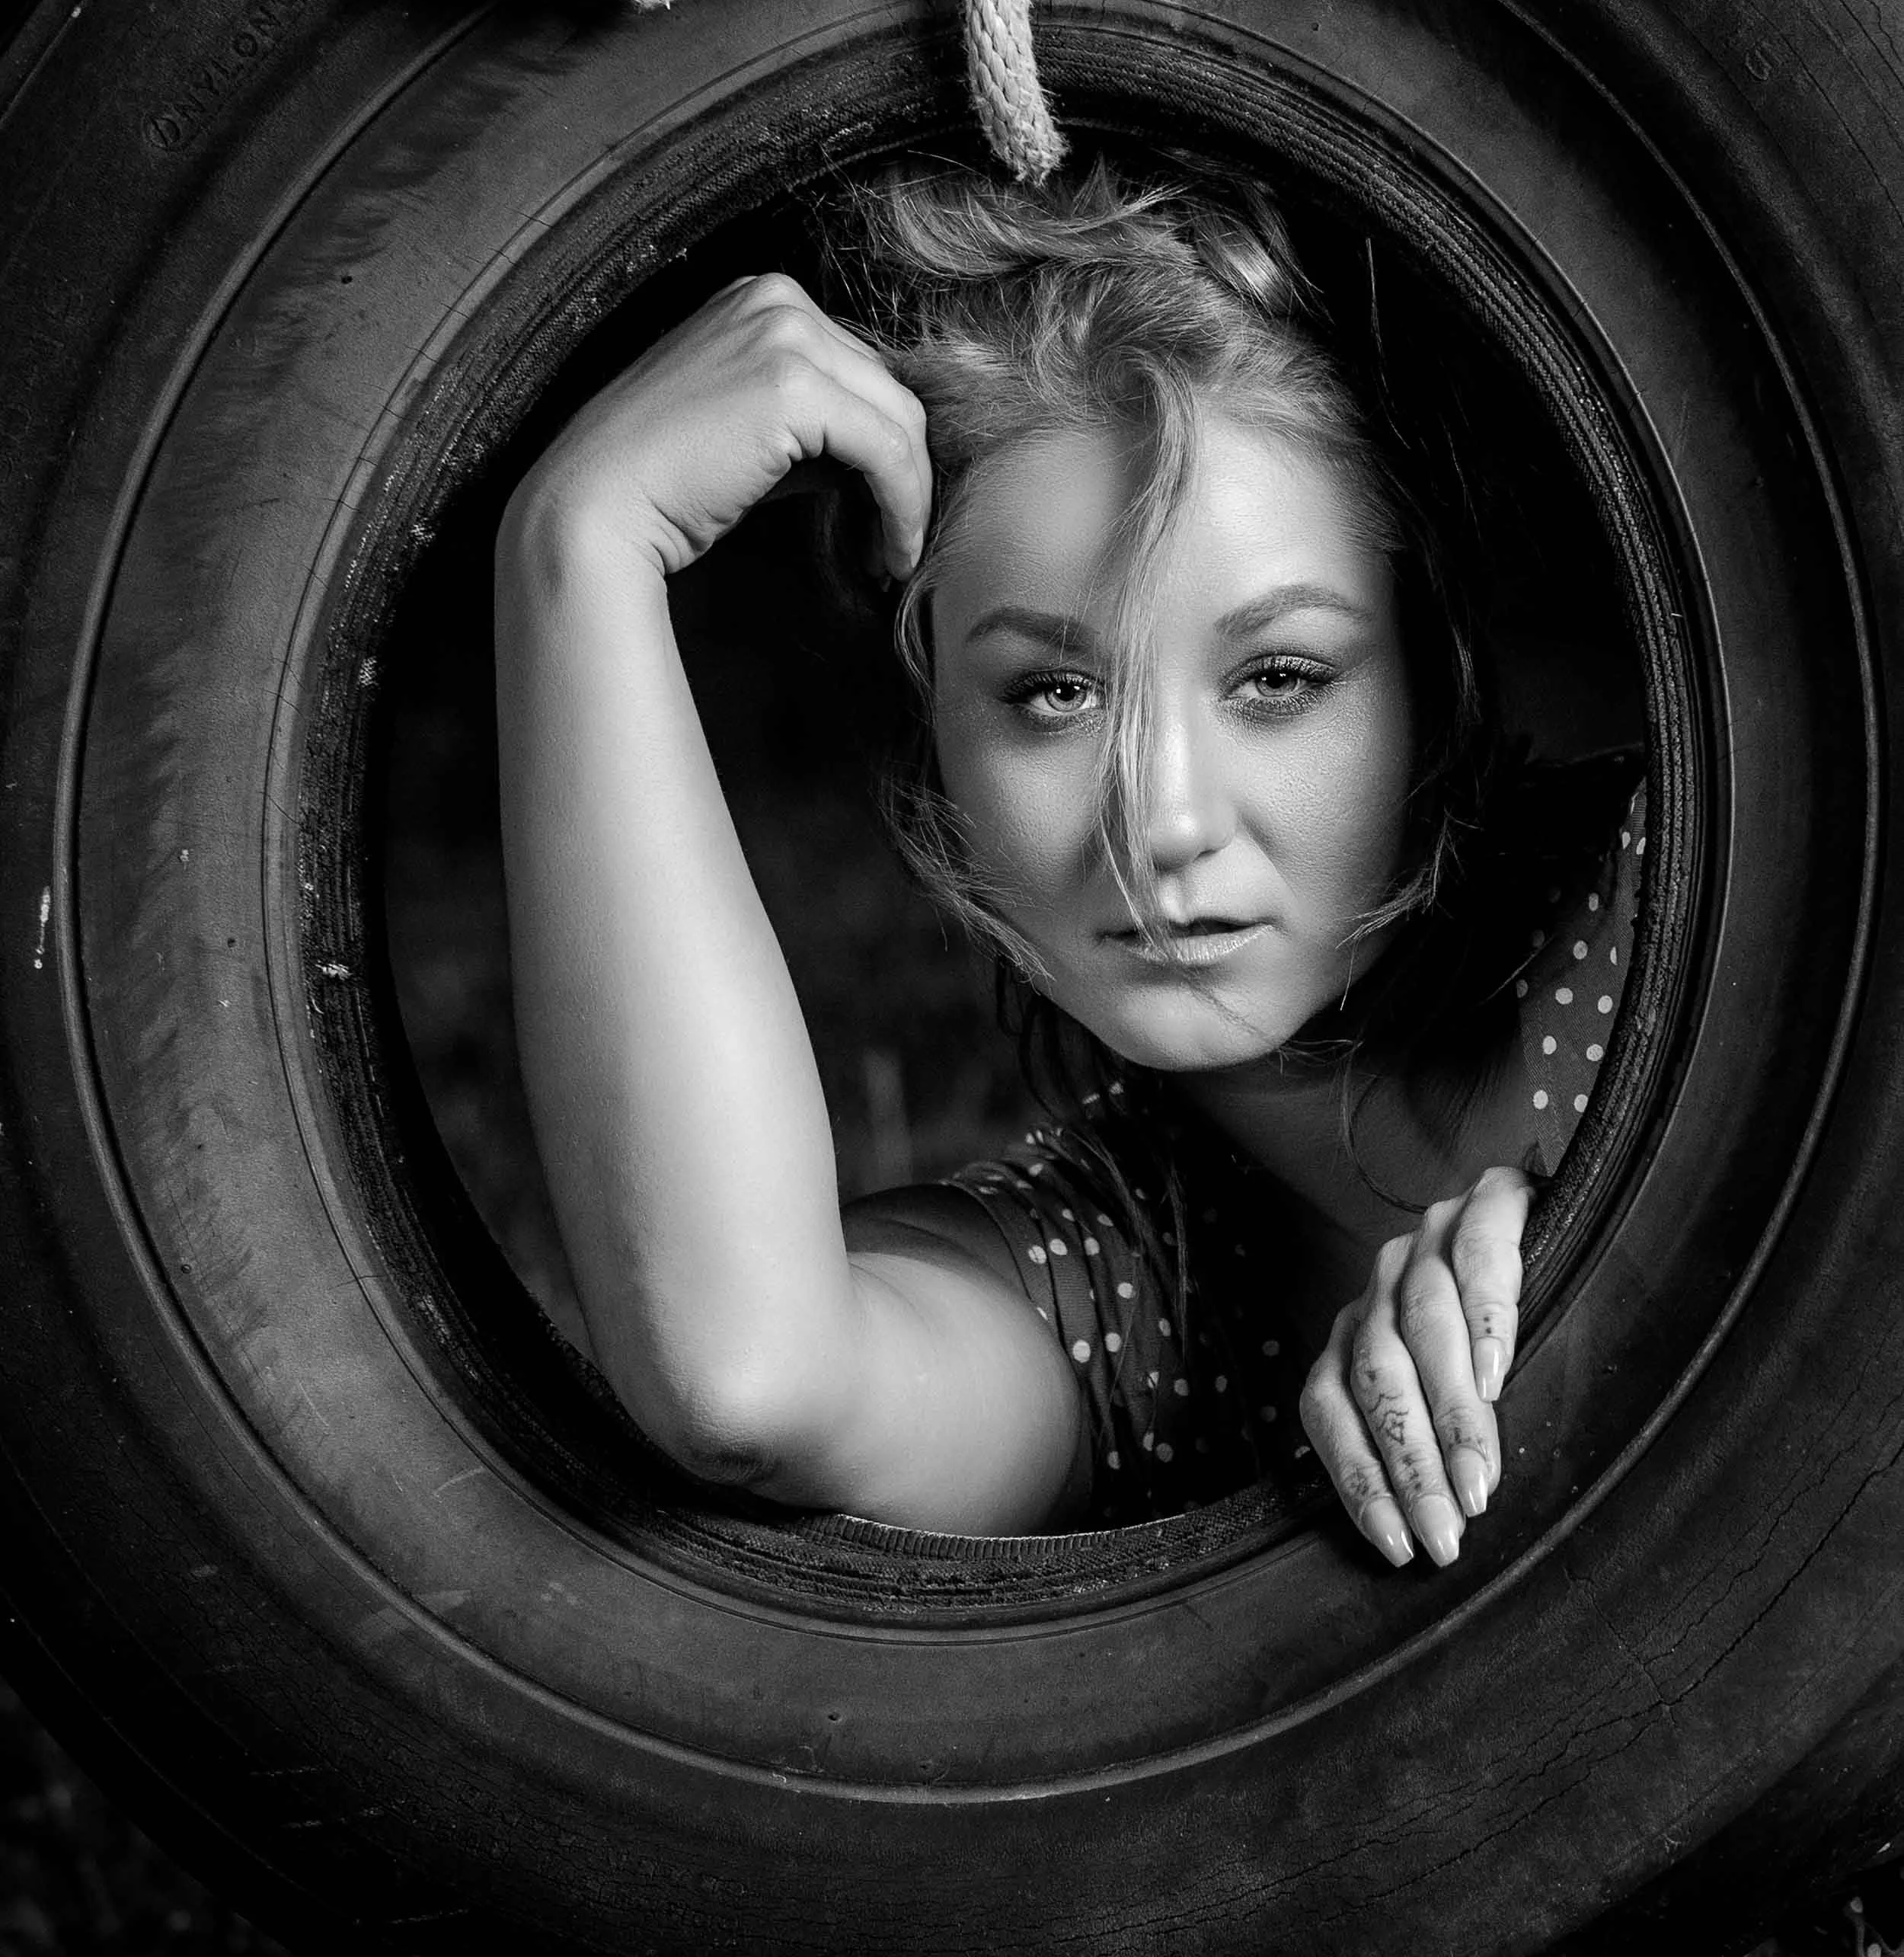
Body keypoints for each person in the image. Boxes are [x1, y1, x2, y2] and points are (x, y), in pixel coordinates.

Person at [493, 161, 1643, 1565]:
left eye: (1279, 675)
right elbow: (747, 1381)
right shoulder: (1120, 1282)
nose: (1158, 822)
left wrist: (1629, 1209)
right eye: (1051, 695)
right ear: (935, 744)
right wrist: (582, 547)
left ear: (1427, 668)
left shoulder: (1695, 899)